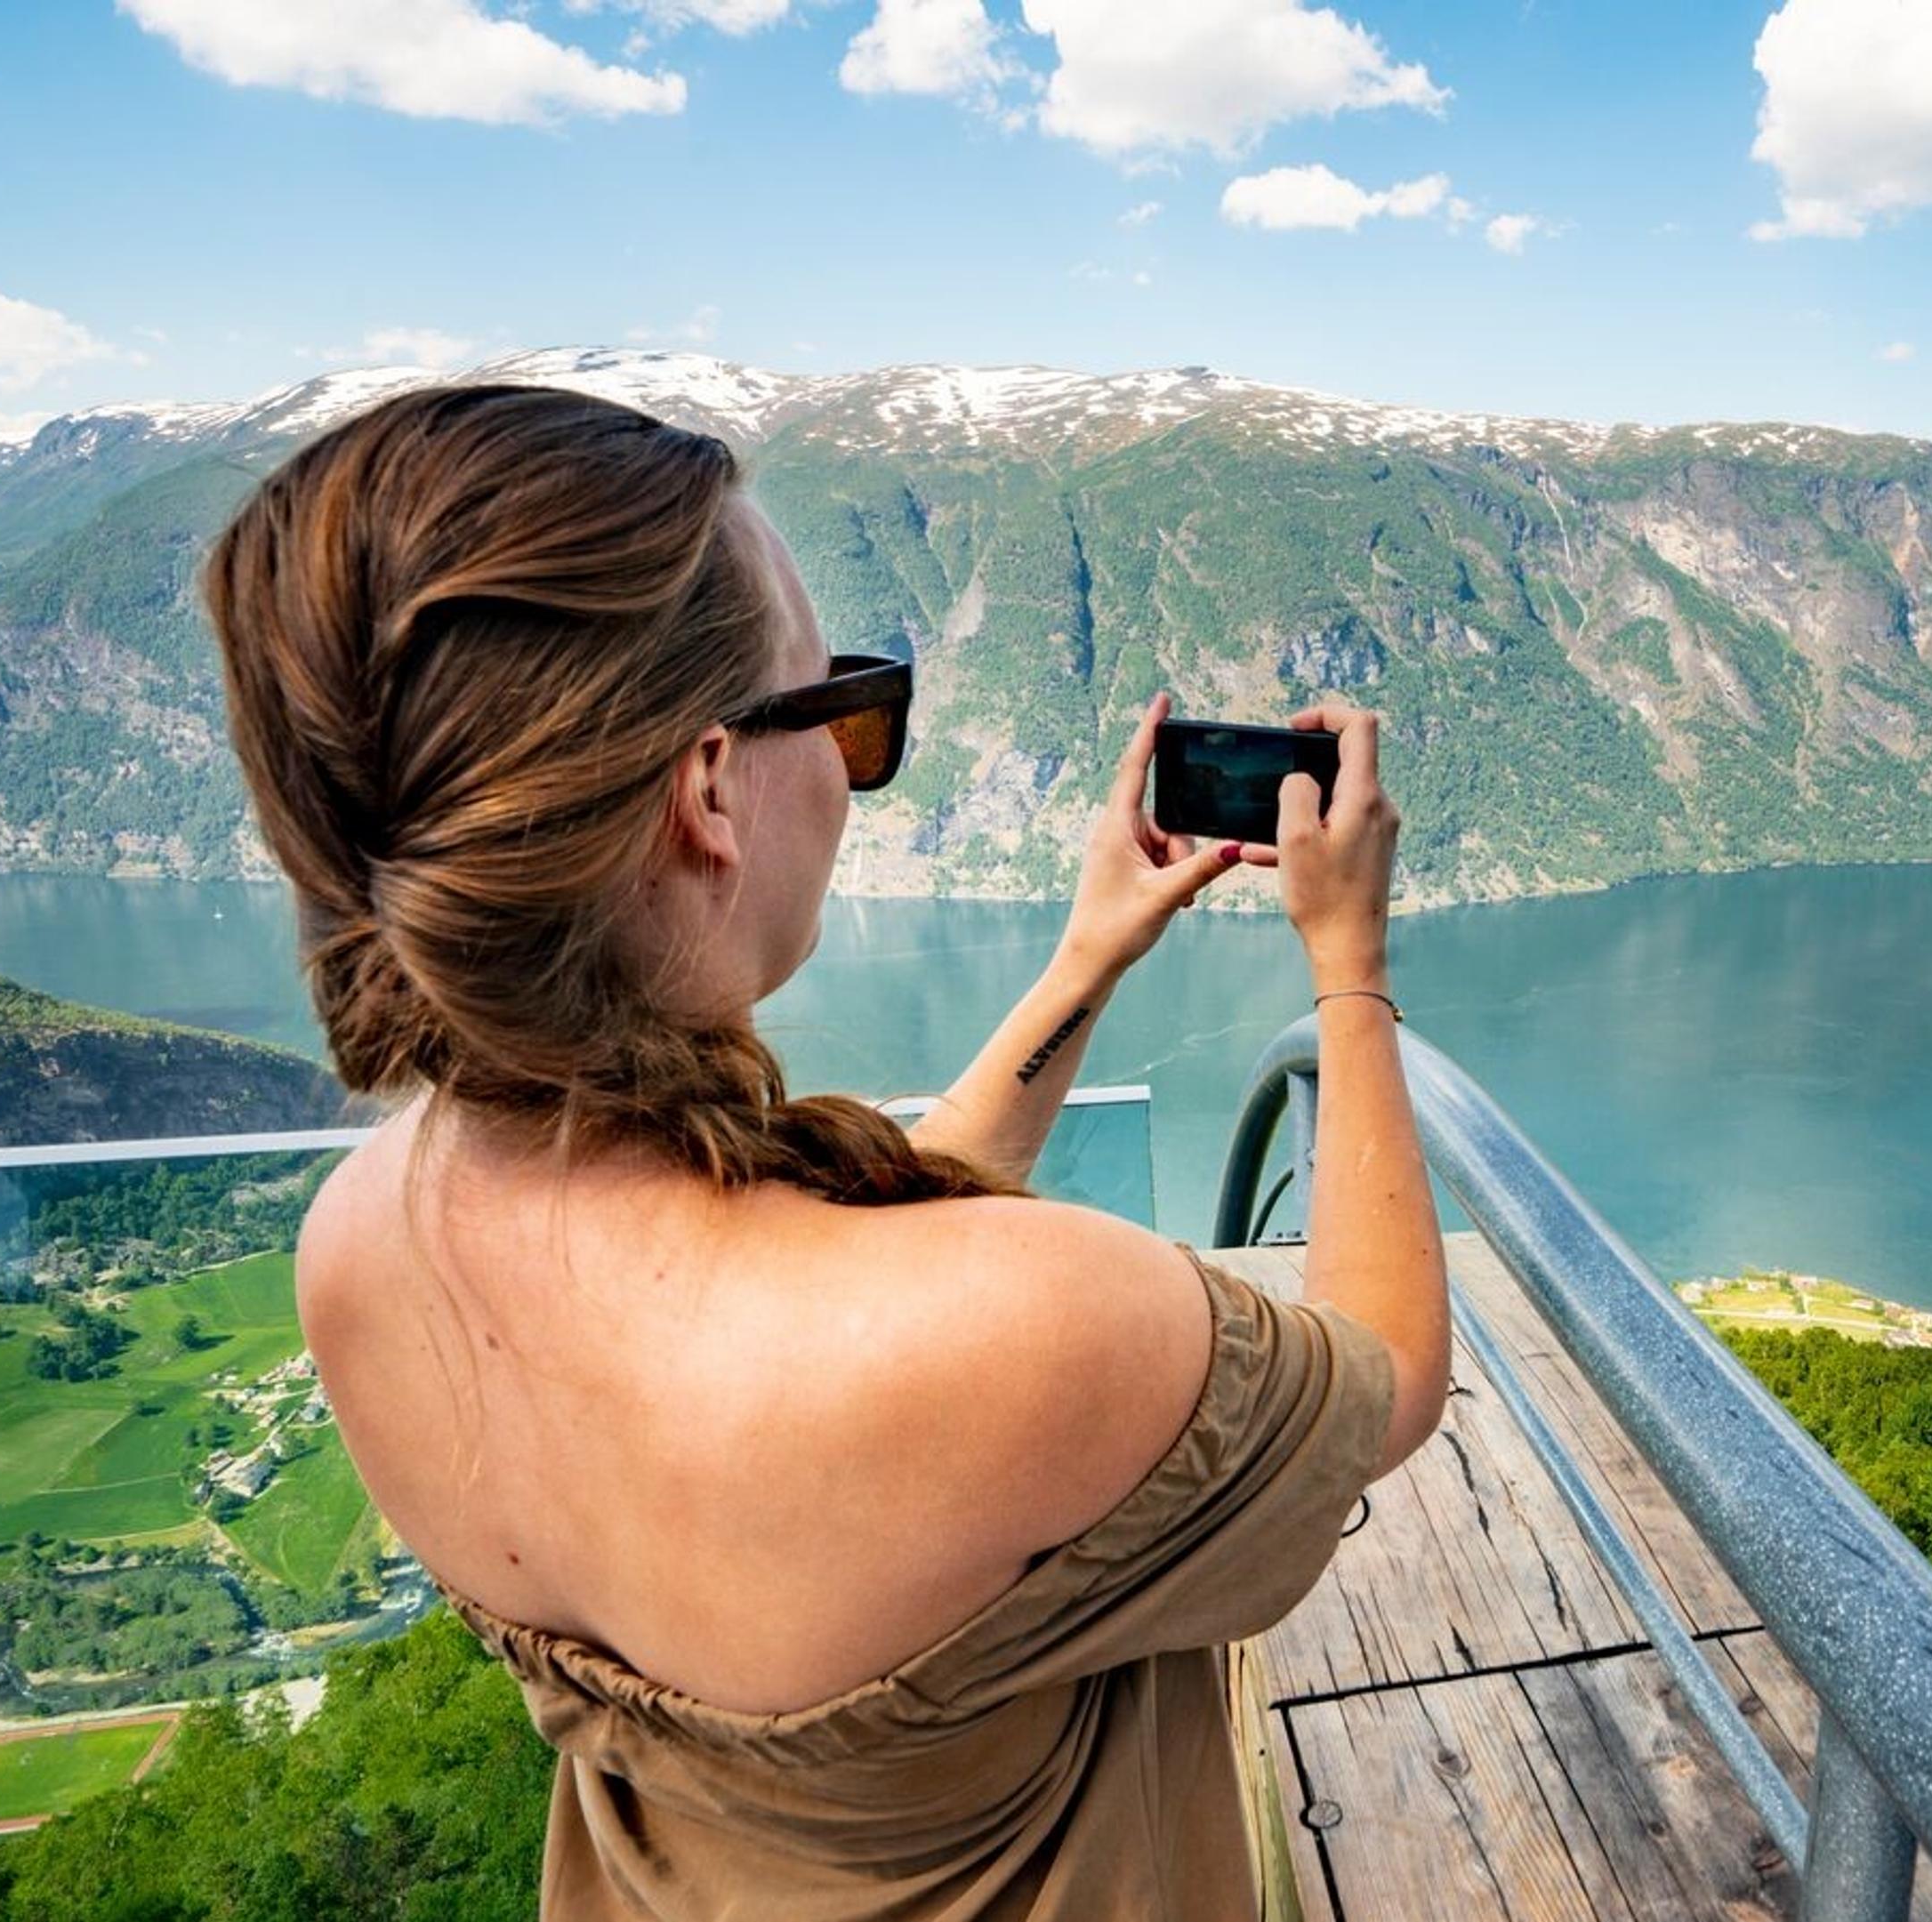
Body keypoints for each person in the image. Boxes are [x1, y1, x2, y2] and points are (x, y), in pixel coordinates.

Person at [200, 382, 1451, 1919]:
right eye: (845, 711)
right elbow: (1381, 1379)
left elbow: (859, 1278)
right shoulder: (1016, 1328)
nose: (859, 768)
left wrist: (1083, 961)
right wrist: (1352, 963)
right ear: (710, 788)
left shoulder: (364, 1245)